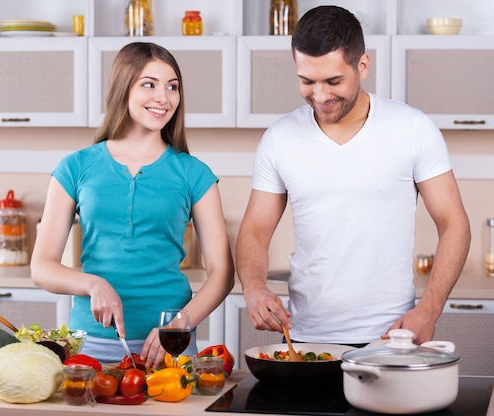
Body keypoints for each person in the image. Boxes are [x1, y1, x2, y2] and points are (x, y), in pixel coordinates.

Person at [235, 6, 470, 347]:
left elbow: (454, 223)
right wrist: (254, 287)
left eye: (333, 81)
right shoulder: (279, 138)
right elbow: (254, 230)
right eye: (307, 81)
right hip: (304, 338)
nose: (320, 95)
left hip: (391, 339)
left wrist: (430, 308)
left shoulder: (412, 129)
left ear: (363, 65)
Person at [31, 42, 234, 366]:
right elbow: (41, 267)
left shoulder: (194, 173)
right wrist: (92, 283)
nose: (163, 97)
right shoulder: (75, 167)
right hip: (91, 344)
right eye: (149, 84)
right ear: (123, 88)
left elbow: (222, 273)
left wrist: (179, 325)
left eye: (172, 87)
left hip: (170, 346)